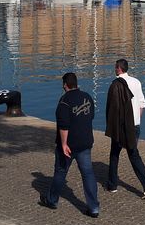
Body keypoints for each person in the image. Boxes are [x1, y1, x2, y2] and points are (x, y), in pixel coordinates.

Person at [41, 72, 100, 217]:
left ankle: (52, 200)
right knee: (88, 174)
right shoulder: (87, 97)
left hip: (69, 144)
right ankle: (94, 208)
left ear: (65, 85)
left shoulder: (64, 101)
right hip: (85, 142)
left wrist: (63, 144)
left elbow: (63, 125)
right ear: (76, 83)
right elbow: (91, 116)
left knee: (61, 171)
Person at [105, 58, 145, 198]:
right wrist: (135, 120)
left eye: (115, 67)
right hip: (135, 126)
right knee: (133, 154)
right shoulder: (136, 82)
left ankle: (113, 185)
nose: (115, 69)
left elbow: (112, 108)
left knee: (114, 154)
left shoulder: (115, 85)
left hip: (121, 127)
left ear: (118, 69)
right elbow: (142, 104)